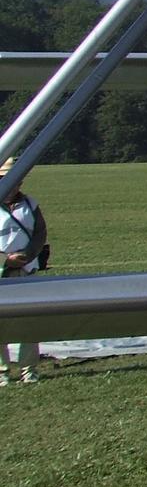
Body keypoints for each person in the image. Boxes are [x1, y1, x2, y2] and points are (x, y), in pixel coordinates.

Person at [1, 156, 48, 386]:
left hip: (26, 270)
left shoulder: (30, 204)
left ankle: (29, 371)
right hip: (2, 271)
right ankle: (2, 373)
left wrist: (28, 256)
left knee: (28, 324)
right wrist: (4, 260)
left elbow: (40, 233)